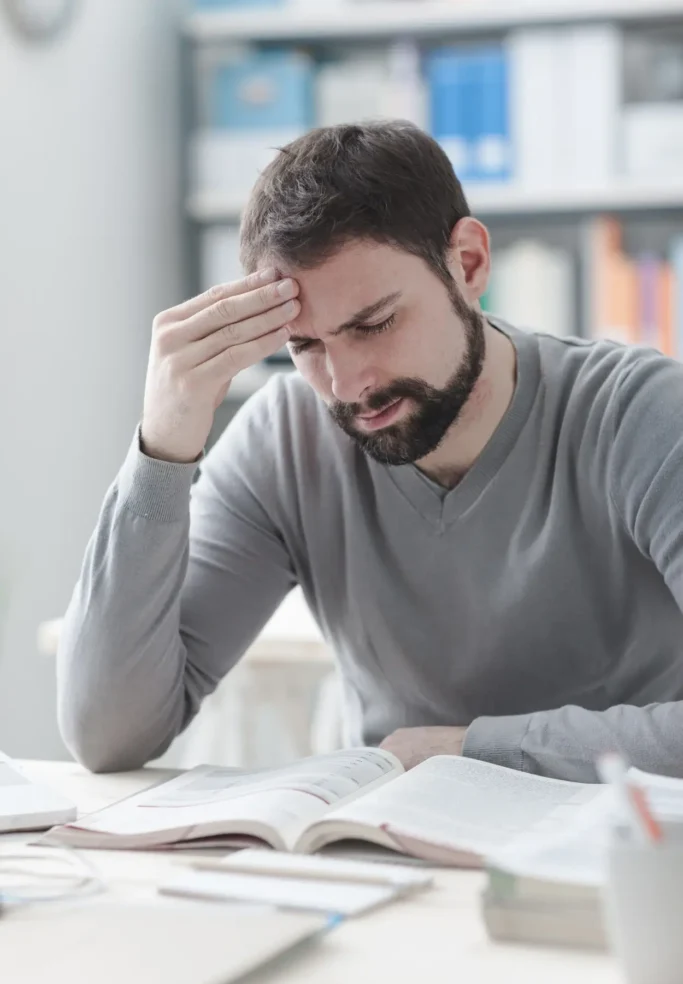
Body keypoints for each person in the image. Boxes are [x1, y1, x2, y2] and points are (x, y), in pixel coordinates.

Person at [58, 121, 683, 782]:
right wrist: (163, 447)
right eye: (304, 346)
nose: (347, 384)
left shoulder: (641, 416)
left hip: (627, 857)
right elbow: (108, 735)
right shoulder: (285, 441)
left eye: (374, 323)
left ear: (467, 264)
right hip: (392, 855)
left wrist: (467, 750)